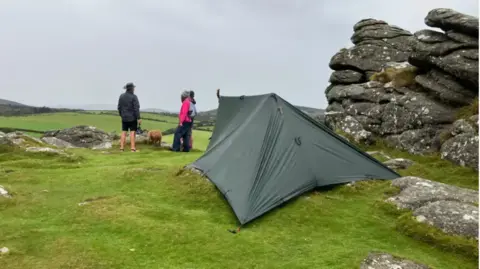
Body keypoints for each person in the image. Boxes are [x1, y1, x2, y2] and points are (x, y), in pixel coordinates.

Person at [117, 82, 141, 152]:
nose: (134, 89)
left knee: (123, 132)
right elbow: (136, 108)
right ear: (131, 89)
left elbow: (119, 107)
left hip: (124, 118)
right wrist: (138, 118)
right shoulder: (134, 97)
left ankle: (121, 148)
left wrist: (122, 115)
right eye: (133, 88)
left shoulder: (121, 96)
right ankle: (133, 148)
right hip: (132, 118)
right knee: (132, 132)